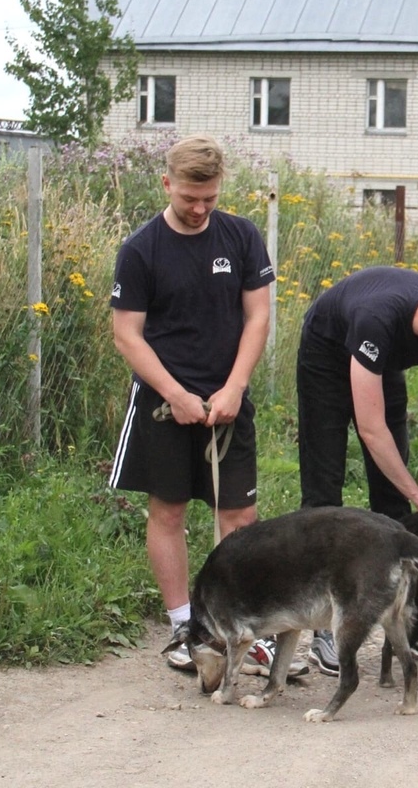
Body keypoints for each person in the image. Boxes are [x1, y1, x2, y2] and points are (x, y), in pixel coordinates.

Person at [109, 135, 292, 675]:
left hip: (228, 400)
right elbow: (127, 335)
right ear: (167, 184)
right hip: (164, 404)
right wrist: (176, 394)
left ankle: (238, 627)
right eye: (190, 197)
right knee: (168, 512)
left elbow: (258, 317)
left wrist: (235, 386)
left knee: (240, 515)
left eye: (209, 198)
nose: (199, 208)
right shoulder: (141, 249)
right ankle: (184, 629)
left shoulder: (241, 236)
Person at [296, 265, 418, 675]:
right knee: (323, 493)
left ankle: (406, 625)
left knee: (392, 503)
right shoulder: (376, 318)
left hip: (381, 363)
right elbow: (370, 427)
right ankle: (323, 629)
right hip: (327, 355)